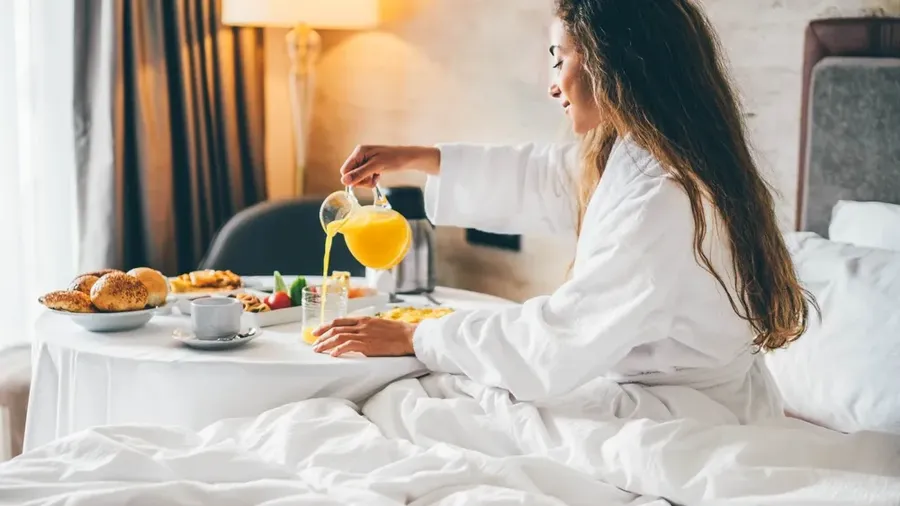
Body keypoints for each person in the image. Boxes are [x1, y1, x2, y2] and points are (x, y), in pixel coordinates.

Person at [312, 0, 814, 423]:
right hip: (678, 397)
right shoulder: (650, 155)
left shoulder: (663, 198)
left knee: (412, 409)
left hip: (680, 417)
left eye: (559, 59)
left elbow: (558, 340)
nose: (553, 84)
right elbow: (551, 177)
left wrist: (417, 335)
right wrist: (417, 158)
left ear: (614, 64)